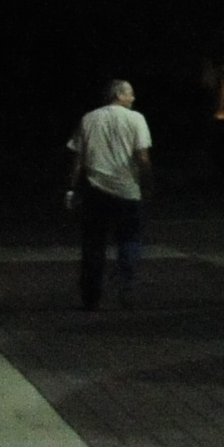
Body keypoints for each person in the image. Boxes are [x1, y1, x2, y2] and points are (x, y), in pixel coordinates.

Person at [68, 78, 153, 311]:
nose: (133, 98)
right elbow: (143, 158)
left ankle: (91, 294)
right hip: (127, 190)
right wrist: (147, 184)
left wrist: (73, 189)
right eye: (131, 93)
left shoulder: (89, 118)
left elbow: (79, 160)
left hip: (95, 191)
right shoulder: (136, 119)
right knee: (129, 239)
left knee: (94, 243)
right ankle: (125, 286)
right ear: (119, 94)